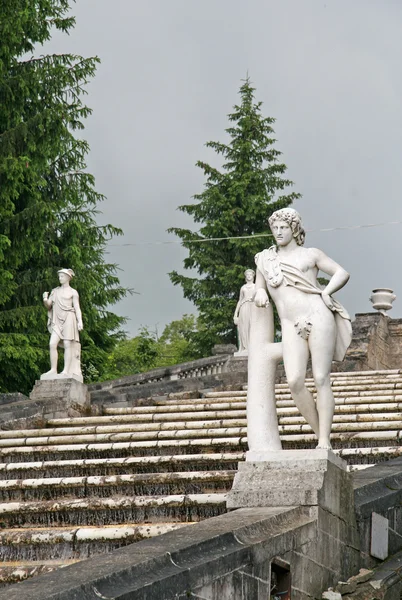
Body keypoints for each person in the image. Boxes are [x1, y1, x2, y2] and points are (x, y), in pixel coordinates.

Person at [252, 208, 351, 450]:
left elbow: (341, 272)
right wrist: (261, 290)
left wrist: (326, 292)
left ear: (294, 229)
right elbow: (258, 286)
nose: (278, 232)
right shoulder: (264, 260)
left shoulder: (310, 255)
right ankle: (321, 434)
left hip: (318, 315)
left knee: (320, 378)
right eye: (274, 228)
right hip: (289, 323)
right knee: (295, 381)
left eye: (283, 227)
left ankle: (324, 441)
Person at [42, 268, 83, 380]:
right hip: (57, 320)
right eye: (59, 276)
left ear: (68, 278)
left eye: (62, 276)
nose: (60, 278)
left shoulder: (73, 292)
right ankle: (53, 369)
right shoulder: (55, 291)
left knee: (67, 345)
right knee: (52, 344)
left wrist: (80, 321)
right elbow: (49, 305)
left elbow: (77, 308)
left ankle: (66, 370)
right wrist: (45, 298)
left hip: (69, 318)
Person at [233, 269, 256, 353]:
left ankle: (253, 346)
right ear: (246, 277)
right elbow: (240, 300)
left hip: (253, 307)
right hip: (244, 307)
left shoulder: (256, 286)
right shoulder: (243, 288)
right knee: (244, 328)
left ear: (253, 276)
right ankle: (245, 348)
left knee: (253, 326)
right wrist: (236, 314)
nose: (249, 276)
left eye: (250, 274)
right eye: (247, 275)